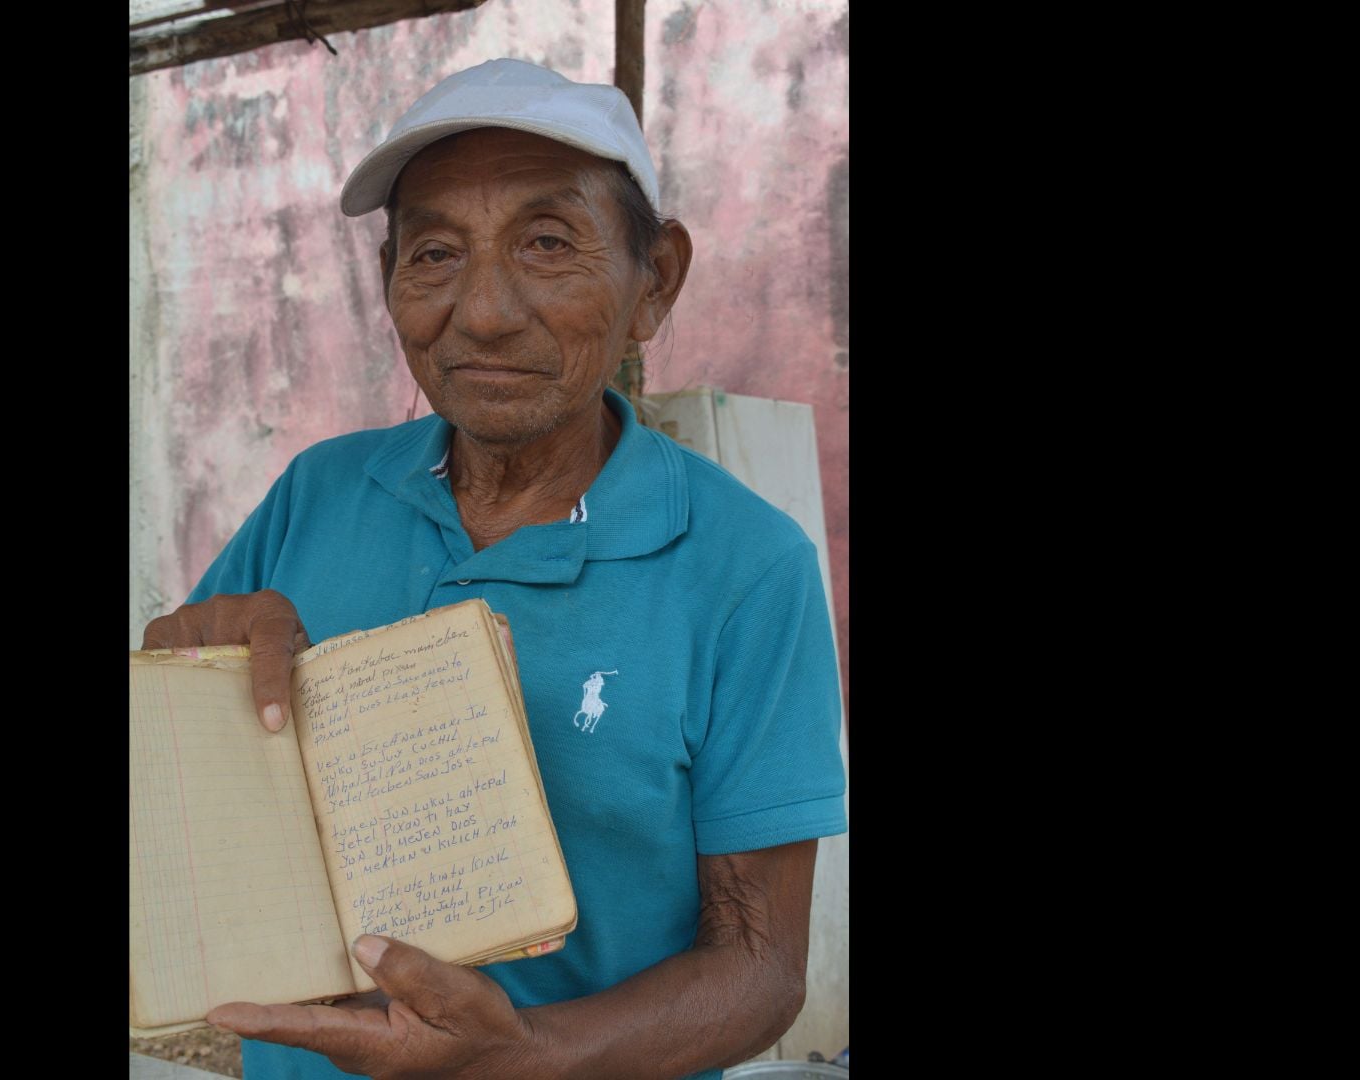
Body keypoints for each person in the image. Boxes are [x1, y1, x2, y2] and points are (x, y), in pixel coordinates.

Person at [144, 57, 847, 1080]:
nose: (481, 313)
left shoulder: (745, 568)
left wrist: (526, 1057)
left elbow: (759, 961)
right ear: (387, 281)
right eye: (433, 252)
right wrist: (182, 674)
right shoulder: (321, 491)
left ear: (654, 284)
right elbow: (189, 774)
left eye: (548, 244)